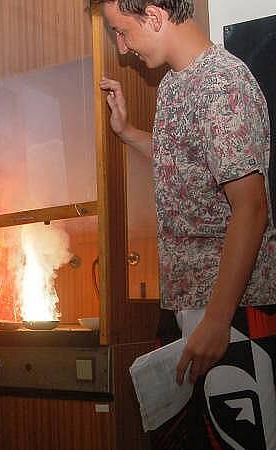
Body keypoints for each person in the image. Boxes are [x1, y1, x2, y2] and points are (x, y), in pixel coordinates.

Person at [93, 1, 276, 448]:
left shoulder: (221, 84)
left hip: (234, 313)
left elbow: (251, 208)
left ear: (154, 17)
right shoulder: (176, 82)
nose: (121, 48)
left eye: (121, 31)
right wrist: (128, 132)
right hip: (196, 308)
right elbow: (189, 162)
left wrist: (216, 320)